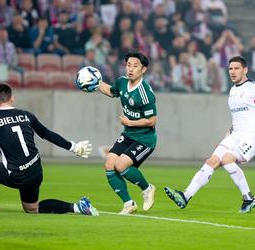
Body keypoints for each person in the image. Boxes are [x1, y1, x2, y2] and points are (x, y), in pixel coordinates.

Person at [0, 82, 98, 216]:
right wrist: (74, 147)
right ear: (12, 98)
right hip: (35, 171)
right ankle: (78, 207)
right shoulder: (26, 115)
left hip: (16, 175)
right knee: (32, 208)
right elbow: (47, 134)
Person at [164, 56, 255, 213]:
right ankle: (185, 196)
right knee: (212, 161)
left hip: (250, 136)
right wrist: (229, 132)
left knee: (227, 160)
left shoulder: (252, 88)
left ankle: (248, 198)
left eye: (237, 68)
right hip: (235, 135)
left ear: (245, 70)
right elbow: (240, 117)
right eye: (230, 69)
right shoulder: (233, 91)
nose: (233, 72)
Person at [98, 51, 157, 215]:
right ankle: (129, 203)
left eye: (135, 66)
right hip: (128, 134)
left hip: (145, 139)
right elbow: (111, 91)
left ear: (143, 69)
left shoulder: (145, 92)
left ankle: (147, 188)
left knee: (120, 165)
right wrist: (95, 82)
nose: (130, 69)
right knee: (109, 163)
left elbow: (152, 120)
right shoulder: (122, 82)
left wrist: (130, 122)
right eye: (128, 65)